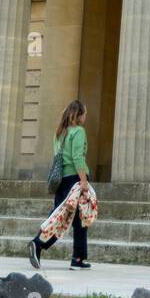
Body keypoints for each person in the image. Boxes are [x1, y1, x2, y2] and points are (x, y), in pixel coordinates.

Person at [28, 100, 92, 270]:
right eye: (84, 113)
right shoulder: (78, 131)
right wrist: (84, 180)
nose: (86, 116)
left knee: (66, 216)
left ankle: (78, 258)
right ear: (78, 115)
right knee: (70, 218)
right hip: (74, 180)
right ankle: (38, 244)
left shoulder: (59, 133)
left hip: (61, 180)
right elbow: (77, 157)